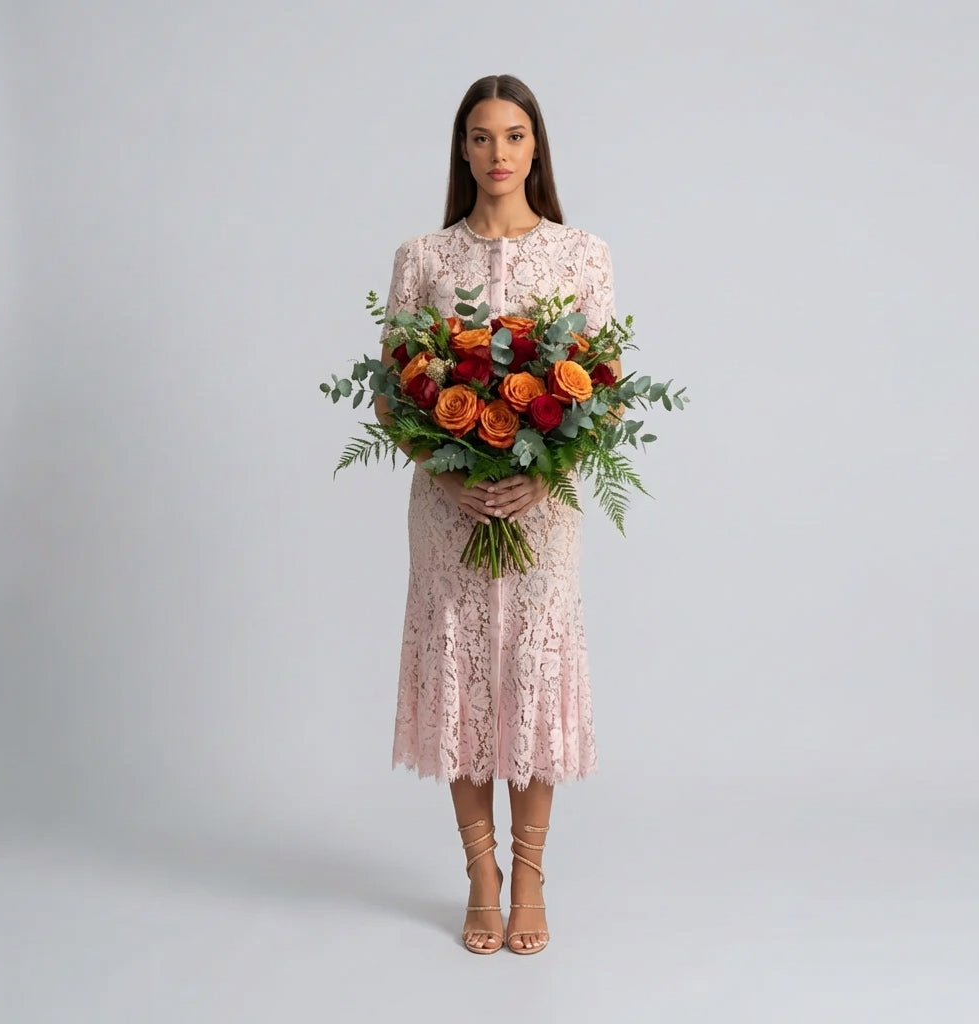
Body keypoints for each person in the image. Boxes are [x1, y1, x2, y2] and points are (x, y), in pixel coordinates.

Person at [374, 74, 620, 955]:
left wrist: (543, 481)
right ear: (462, 150)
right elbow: (394, 399)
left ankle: (534, 878)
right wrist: (447, 480)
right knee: (467, 684)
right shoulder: (423, 259)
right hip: (450, 510)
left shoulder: (583, 254)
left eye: (514, 136)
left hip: (538, 511)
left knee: (532, 682)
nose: (498, 154)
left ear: (537, 146)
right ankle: (481, 874)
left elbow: (605, 396)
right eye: (481, 138)